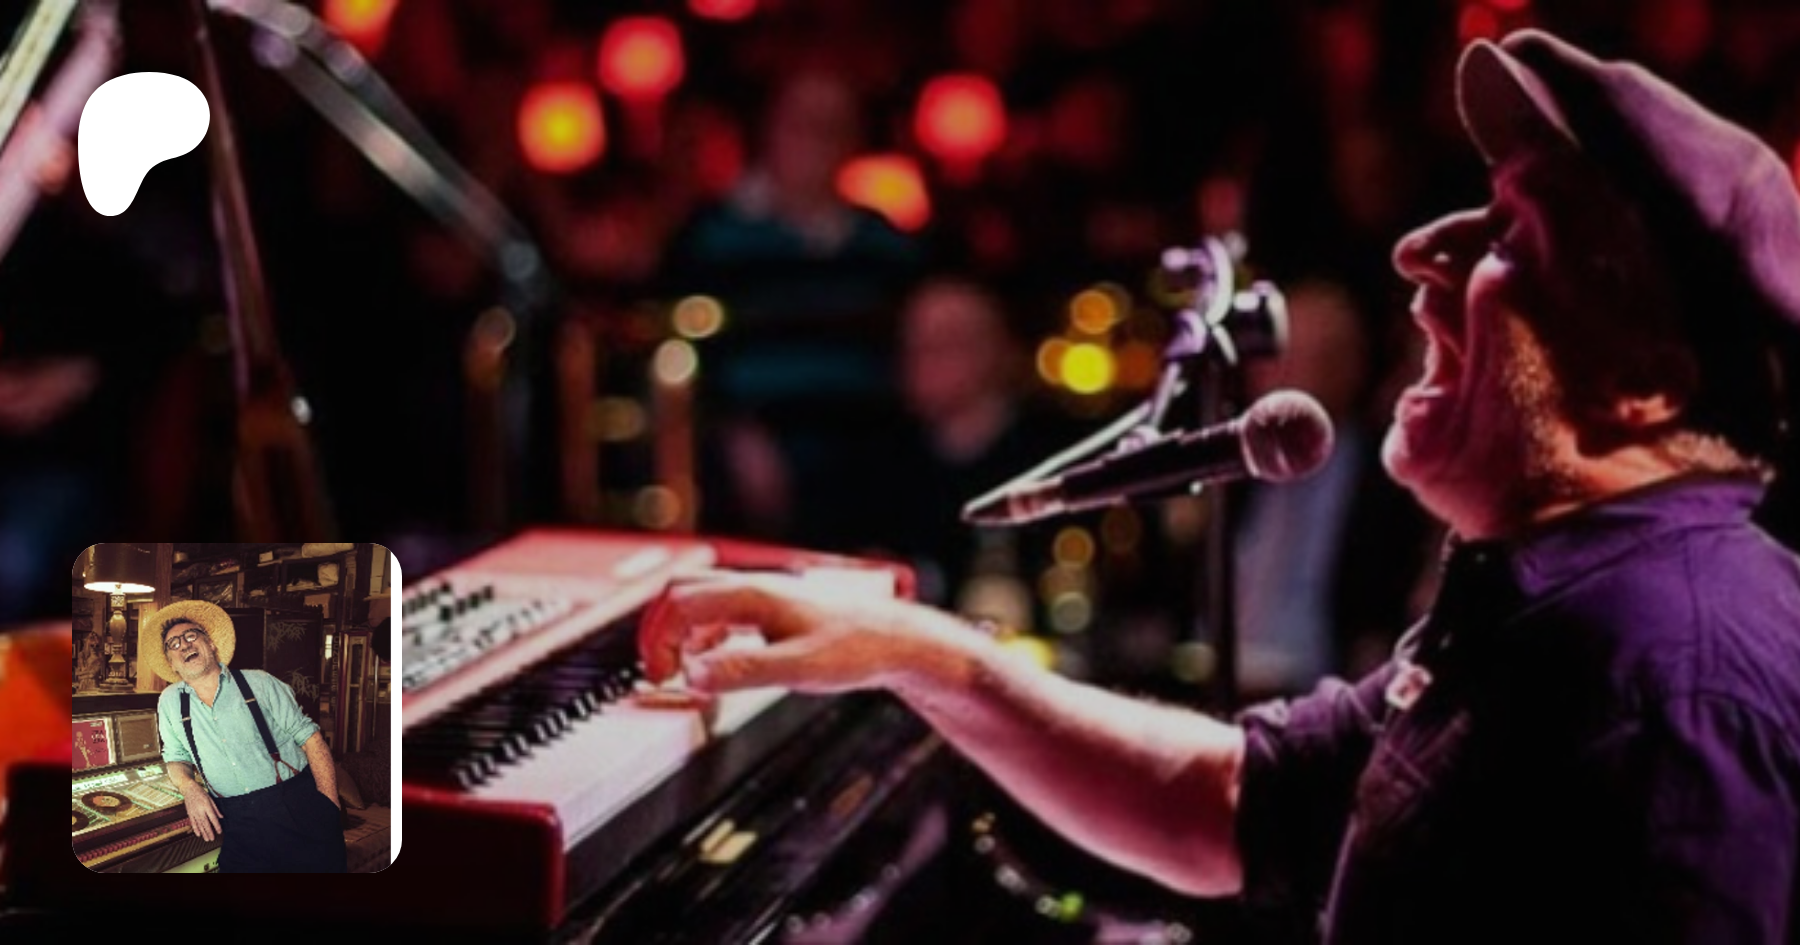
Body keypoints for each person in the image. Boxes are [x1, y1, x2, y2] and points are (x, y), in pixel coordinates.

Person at [640, 31, 1800, 943]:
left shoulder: (1676, 687)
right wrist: (921, 654)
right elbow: (1232, 802)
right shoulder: (1555, 604)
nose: (1420, 257)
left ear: (1647, 381)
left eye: (1509, 237)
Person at [146, 601, 346, 873]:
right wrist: (189, 788)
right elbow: (175, 757)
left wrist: (329, 807)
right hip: (237, 822)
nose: (184, 645)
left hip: (294, 805)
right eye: (174, 644)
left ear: (211, 644)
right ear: (172, 663)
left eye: (191, 636)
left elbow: (311, 739)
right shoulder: (169, 702)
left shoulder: (260, 683)